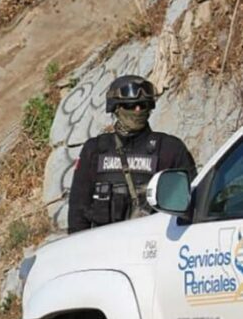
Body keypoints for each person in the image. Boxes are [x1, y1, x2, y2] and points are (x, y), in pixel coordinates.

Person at [67, 75, 196, 234]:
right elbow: (78, 210)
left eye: (143, 105)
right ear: (116, 107)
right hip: (103, 247)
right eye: (131, 104)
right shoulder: (95, 150)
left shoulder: (169, 149)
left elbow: (188, 207)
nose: (137, 110)